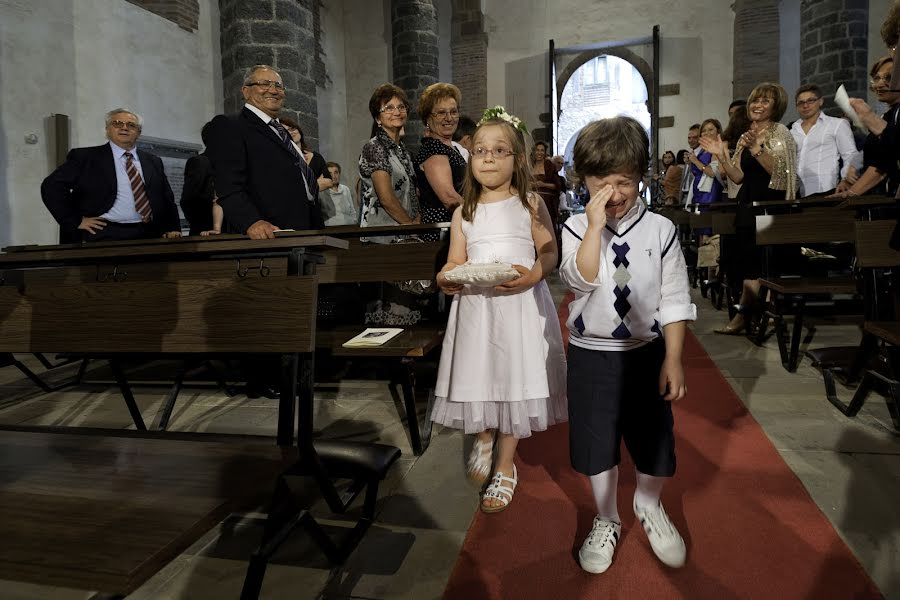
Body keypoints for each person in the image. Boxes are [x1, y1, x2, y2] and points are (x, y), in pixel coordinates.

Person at [559, 115, 695, 574]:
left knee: (655, 440)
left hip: (645, 353)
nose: (615, 194)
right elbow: (578, 279)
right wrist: (595, 226)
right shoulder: (577, 227)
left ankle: (649, 504)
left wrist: (673, 357)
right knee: (596, 444)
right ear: (583, 181)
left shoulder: (661, 229)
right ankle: (606, 516)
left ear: (643, 177)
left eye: (626, 182)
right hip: (591, 356)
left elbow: (675, 296)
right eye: (602, 183)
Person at [432, 106, 566, 513]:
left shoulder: (529, 204)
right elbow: (455, 261)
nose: (488, 158)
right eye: (480, 151)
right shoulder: (463, 212)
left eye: (499, 151)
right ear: (470, 158)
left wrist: (532, 276)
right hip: (476, 307)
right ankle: (484, 433)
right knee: (481, 372)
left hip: (519, 303)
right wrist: (445, 277)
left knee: (514, 380)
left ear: (518, 159)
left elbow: (549, 253)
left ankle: (505, 468)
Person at [701, 82, 797, 334]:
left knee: (763, 263)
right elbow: (737, 177)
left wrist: (756, 150)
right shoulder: (747, 135)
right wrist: (720, 154)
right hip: (747, 203)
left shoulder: (780, 133)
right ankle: (749, 315)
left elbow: (782, 175)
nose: (758, 105)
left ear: (776, 107)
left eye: (765, 101)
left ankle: (755, 315)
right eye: (755, 100)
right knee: (745, 263)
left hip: (769, 206)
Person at [204, 64, 321, 239]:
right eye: (264, 84)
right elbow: (228, 185)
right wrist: (251, 222)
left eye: (278, 86)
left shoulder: (280, 131)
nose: (273, 90)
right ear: (246, 91)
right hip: (266, 233)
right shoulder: (230, 125)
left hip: (303, 228)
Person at [41, 108, 182, 242]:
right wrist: (74, 220)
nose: (124, 128)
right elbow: (51, 186)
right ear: (107, 129)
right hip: (103, 233)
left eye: (131, 125)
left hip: (149, 232)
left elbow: (166, 196)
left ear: (138, 132)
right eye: (117, 123)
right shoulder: (86, 157)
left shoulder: (152, 161)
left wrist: (173, 227)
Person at [359, 83, 419, 241]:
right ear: (378, 118)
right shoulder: (375, 147)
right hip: (382, 237)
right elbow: (386, 198)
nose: (397, 112)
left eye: (401, 107)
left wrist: (417, 220)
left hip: (406, 232)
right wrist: (412, 228)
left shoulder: (402, 150)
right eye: (389, 108)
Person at [843, 57, 900, 198]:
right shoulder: (886, 116)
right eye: (876, 78)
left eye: (888, 77)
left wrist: (869, 117)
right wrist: (851, 192)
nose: (879, 84)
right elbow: (879, 164)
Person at [790, 83, 861, 197]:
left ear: (821, 101)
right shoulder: (792, 130)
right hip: (797, 193)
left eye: (810, 100)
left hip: (826, 189)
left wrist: (845, 180)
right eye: (801, 103)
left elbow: (850, 154)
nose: (805, 105)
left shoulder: (837, 124)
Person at [416, 83, 466, 238]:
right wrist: (482, 217)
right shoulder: (434, 149)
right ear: (427, 119)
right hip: (442, 232)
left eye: (453, 112)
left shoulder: (451, 148)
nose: (449, 118)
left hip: (457, 226)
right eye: (441, 113)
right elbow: (449, 199)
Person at [686, 119, 725, 231]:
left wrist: (695, 161)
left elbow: (713, 172)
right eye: (704, 131)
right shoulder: (703, 150)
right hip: (699, 189)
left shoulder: (717, 148)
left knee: (707, 223)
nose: (707, 133)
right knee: (699, 224)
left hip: (710, 190)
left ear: (718, 131)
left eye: (710, 129)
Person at [280, 116, 333, 192]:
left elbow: (329, 182)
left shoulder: (316, 157)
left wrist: (304, 187)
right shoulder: (284, 158)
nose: (291, 133)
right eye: (286, 131)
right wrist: (317, 183)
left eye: (293, 129)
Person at [532, 141, 563, 231]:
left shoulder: (549, 166)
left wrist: (543, 184)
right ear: (534, 151)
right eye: (537, 150)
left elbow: (557, 186)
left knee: (547, 228)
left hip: (547, 202)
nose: (539, 153)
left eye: (542, 150)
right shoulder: (529, 165)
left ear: (545, 153)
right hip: (531, 201)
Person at [321, 161, 358, 226]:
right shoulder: (321, 192)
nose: (333, 176)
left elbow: (352, 211)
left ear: (339, 174)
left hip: (349, 228)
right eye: (330, 173)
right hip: (329, 230)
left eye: (336, 172)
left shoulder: (345, 189)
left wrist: (354, 223)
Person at [680, 123, 701, 207]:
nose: (691, 140)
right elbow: (683, 180)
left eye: (695, 137)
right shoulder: (690, 154)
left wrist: (692, 164)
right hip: (685, 195)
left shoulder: (704, 155)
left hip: (696, 195)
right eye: (689, 138)